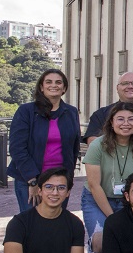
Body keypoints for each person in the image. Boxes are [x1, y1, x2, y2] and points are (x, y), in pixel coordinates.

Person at [82, 102, 133, 253]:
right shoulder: (97, 146)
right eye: (120, 119)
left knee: (129, 243)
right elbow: (94, 185)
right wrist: (113, 218)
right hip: (98, 199)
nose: (125, 123)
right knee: (101, 241)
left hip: (129, 202)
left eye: (131, 119)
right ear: (111, 122)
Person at [7, 69, 81, 212]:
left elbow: (74, 148)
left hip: (60, 181)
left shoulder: (71, 112)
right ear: (41, 87)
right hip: (31, 180)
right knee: (32, 225)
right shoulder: (26, 111)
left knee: (56, 223)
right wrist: (33, 181)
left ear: (64, 88)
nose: (54, 85)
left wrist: (68, 180)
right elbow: (17, 148)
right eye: (48, 82)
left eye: (58, 82)